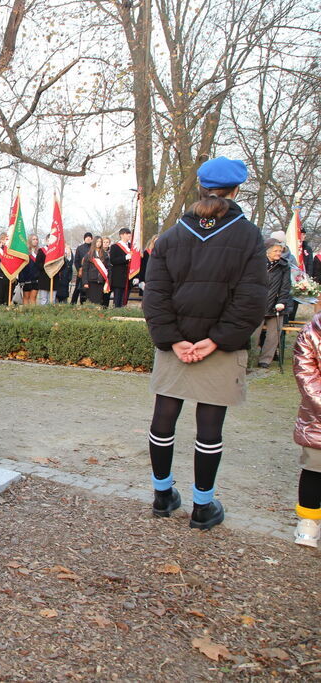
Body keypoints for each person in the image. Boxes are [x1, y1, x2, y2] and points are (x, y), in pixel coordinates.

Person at [142, 156, 267, 530]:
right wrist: (216, 340)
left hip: (178, 345)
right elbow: (252, 299)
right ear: (237, 190)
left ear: (201, 187)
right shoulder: (248, 235)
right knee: (209, 425)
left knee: (165, 416)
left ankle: (162, 496)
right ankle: (202, 506)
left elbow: (155, 296)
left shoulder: (172, 235)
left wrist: (174, 340)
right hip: (219, 345)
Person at [292, 311, 321, 547]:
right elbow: (305, 373)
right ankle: (308, 522)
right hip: (318, 415)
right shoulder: (313, 331)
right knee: (314, 465)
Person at [256, 238, 291, 368]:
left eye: (280, 251)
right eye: (276, 251)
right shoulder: (257, 263)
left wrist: (281, 302)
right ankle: (250, 359)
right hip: (258, 305)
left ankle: (265, 360)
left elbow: (285, 286)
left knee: (273, 335)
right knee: (253, 333)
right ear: (267, 252)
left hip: (276, 305)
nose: (278, 253)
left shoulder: (284, 266)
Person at [83, 236, 109, 307]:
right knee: (91, 300)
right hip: (91, 280)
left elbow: (107, 267)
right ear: (94, 242)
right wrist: (85, 282)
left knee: (99, 300)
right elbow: (85, 269)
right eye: (97, 241)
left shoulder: (105, 254)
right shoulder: (89, 254)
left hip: (101, 281)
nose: (98, 243)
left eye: (100, 242)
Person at [71, 232, 93, 304]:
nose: (88, 239)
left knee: (86, 289)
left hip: (90, 272)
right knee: (77, 288)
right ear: (84, 239)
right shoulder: (80, 248)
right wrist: (79, 269)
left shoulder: (93, 248)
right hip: (81, 271)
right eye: (87, 237)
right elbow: (76, 260)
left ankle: (83, 303)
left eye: (90, 237)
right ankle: (73, 303)